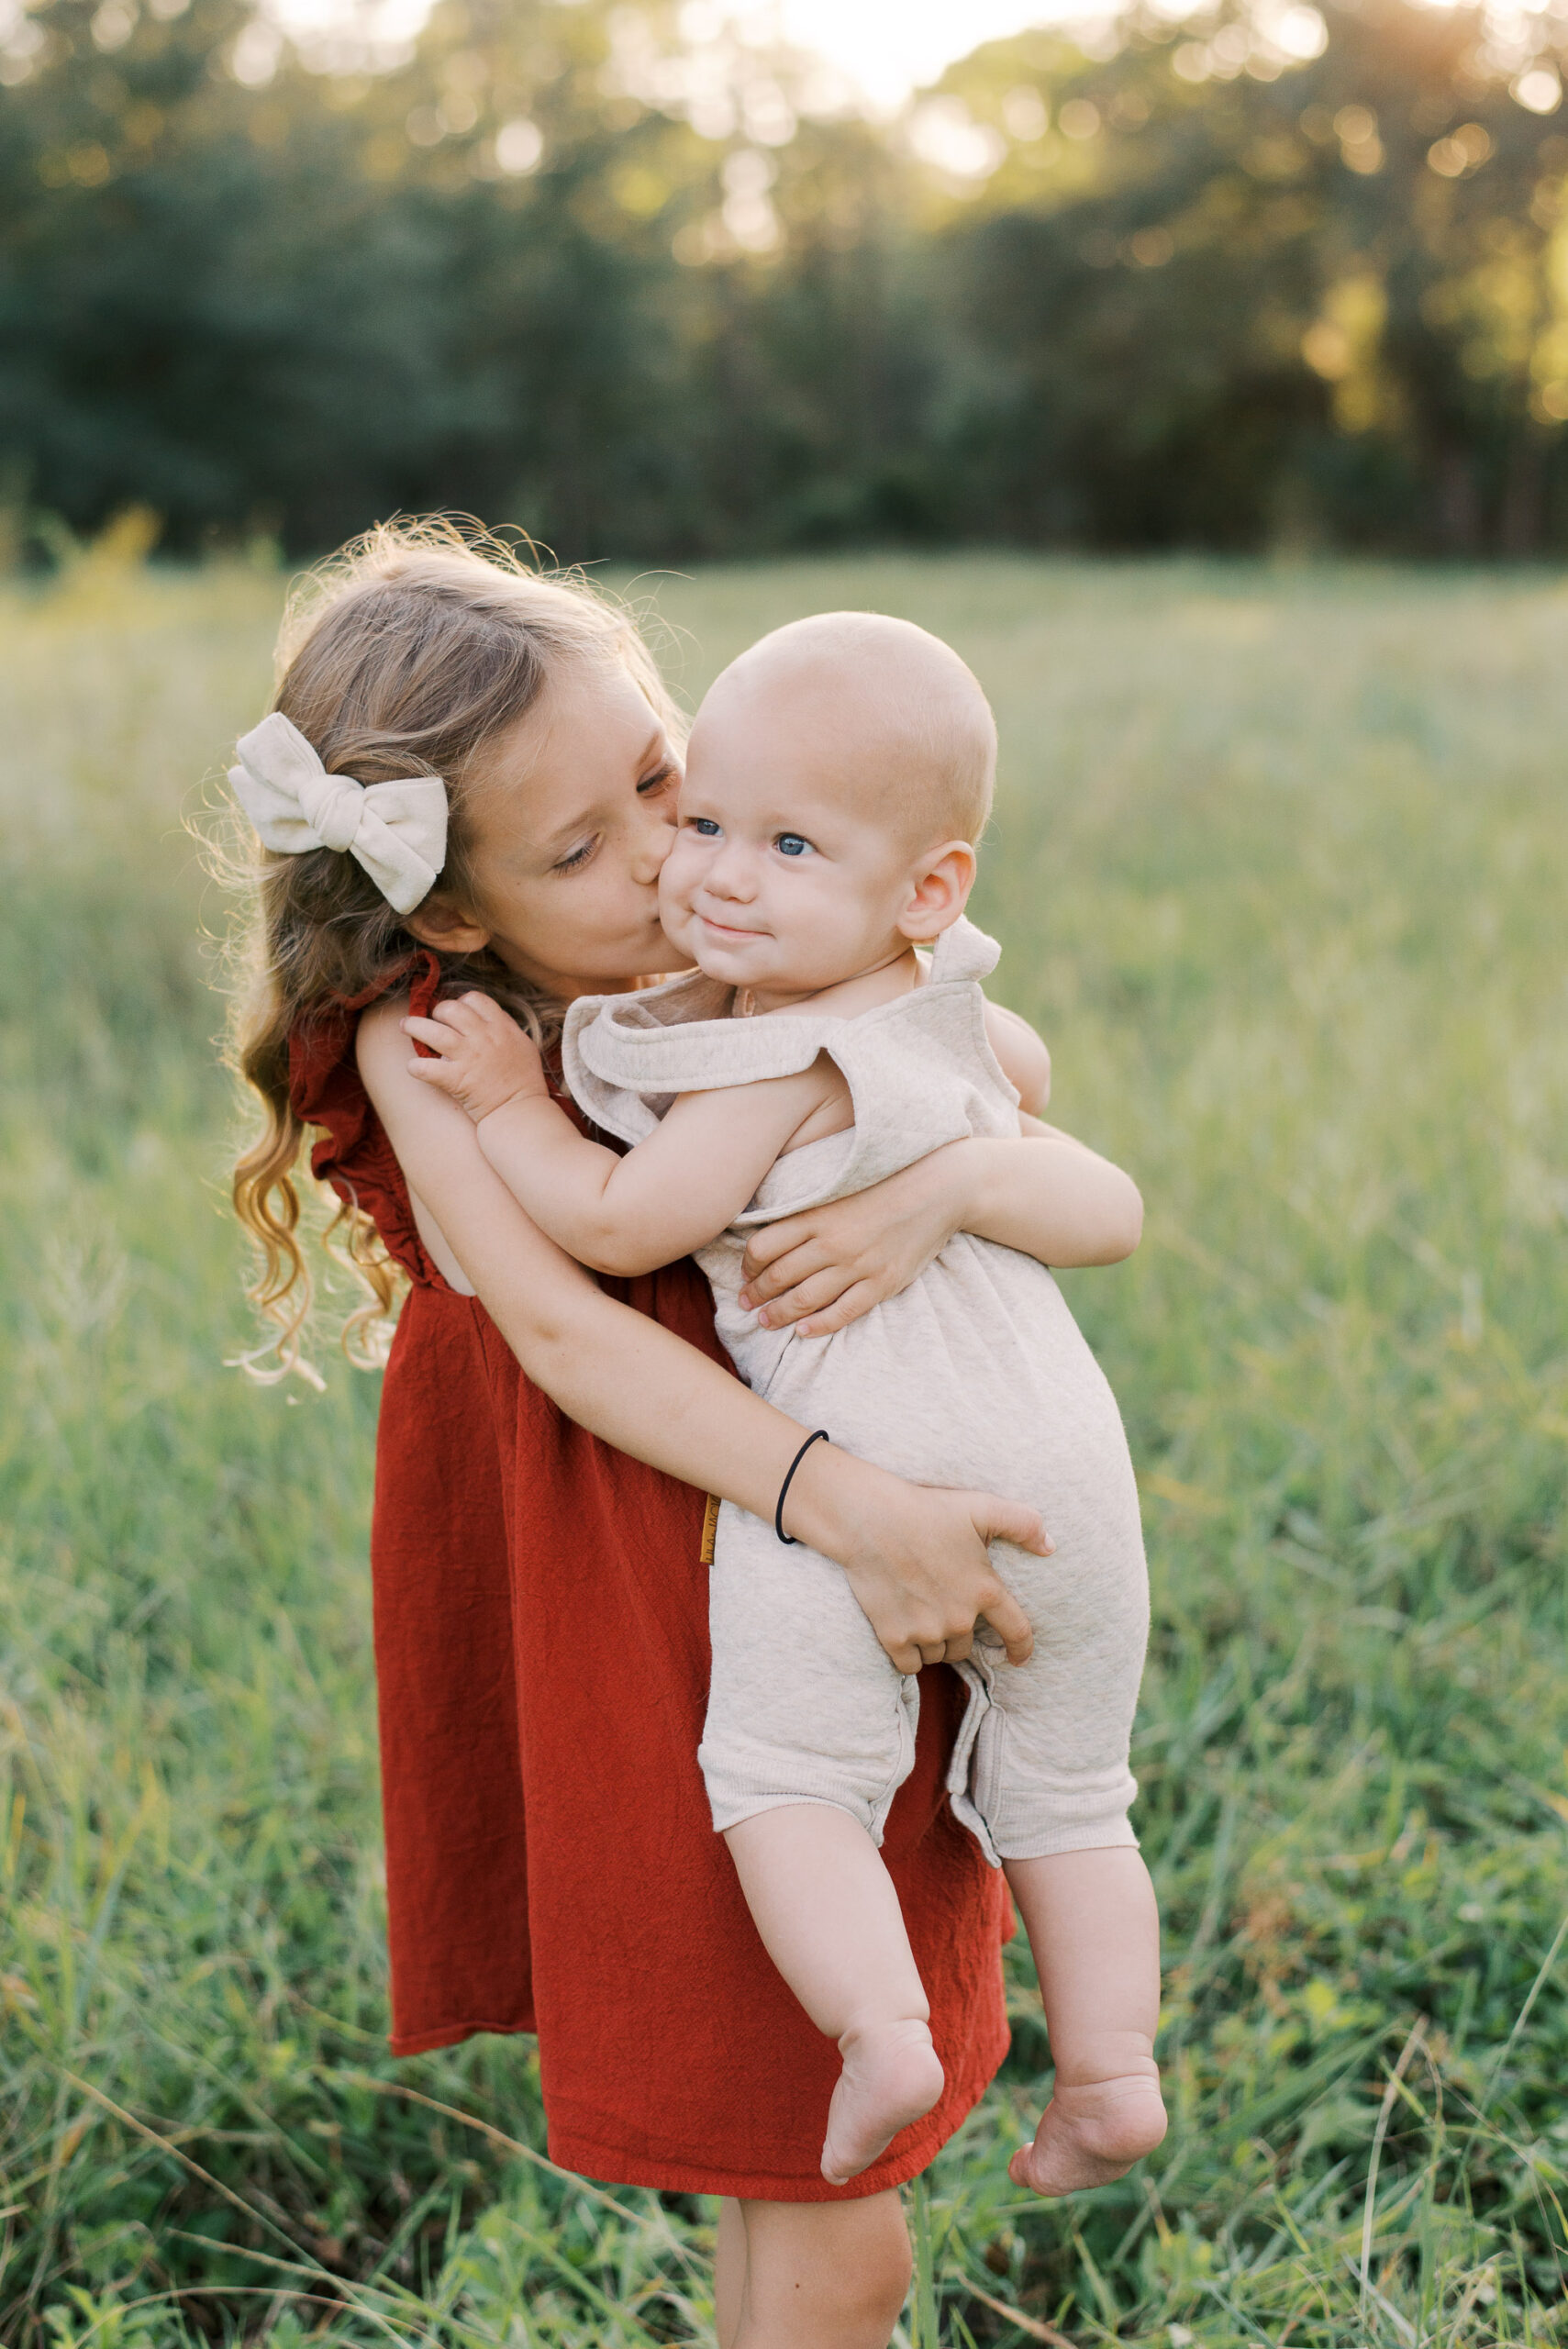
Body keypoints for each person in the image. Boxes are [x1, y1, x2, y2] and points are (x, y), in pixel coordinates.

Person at [224, 522, 1145, 2349]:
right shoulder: (437, 1034)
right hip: (653, 1528)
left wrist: (926, 1167)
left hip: (806, 1492)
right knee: (774, 2081)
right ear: (454, 914)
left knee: (802, 2070)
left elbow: (1012, 1068)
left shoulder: (753, 937)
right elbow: (568, 1327)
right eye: (588, 845)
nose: (670, 855)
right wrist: (847, 1502)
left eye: (668, 778)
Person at [405, 612, 1167, 2203]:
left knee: (788, 1773)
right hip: (1066, 1469)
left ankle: (877, 2026)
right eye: (707, 827)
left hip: (862, 1467)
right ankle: (1107, 2073)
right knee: (1069, 1791)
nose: (715, 877)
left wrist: (498, 1106)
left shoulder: (760, 1044)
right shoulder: (929, 992)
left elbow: (623, 1229)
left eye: (782, 842)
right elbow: (1087, 1182)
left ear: (924, 880)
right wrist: (955, 1163)